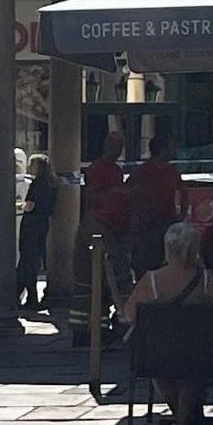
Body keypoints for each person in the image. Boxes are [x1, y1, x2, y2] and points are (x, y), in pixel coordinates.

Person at [124, 220, 213, 425]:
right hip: (199, 356)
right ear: (196, 248)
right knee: (191, 375)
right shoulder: (209, 280)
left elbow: (129, 315)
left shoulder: (152, 281)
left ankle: (181, 422)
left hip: (156, 357)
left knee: (162, 375)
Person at [83, 129, 132, 320]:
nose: (118, 151)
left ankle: (118, 314)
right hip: (100, 226)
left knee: (119, 273)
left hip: (117, 228)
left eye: (120, 147)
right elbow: (92, 197)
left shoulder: (117, 171)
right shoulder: (96, 169)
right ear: (106, 146)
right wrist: (115, 193)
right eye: (115, 146)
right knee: (111, 273)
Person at [125, 130, 185, 279]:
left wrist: (181, 216)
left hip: (166, 224)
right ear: (163, 149)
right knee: (145, 265)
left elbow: (183, 192)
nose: (174, 150)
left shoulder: (173, 172)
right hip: (146, 227)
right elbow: (128, 194)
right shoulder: (142, 172)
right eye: (171, 147)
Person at [16, 153, 59, 312]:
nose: (29, 168)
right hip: (43, 224)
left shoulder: (37, 184)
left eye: (31, 165)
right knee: (32, 261)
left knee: (27, 261)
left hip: (30, 224)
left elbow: (30, 205)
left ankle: (30, 297)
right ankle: (22, 294)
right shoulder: (53, 184)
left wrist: (18, 206)